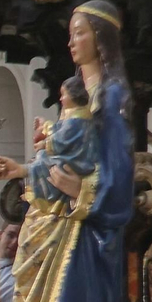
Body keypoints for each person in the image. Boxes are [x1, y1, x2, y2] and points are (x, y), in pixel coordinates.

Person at [0, 0, 136, 302]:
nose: (73, 41)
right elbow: (53, 172)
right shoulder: (75, 100)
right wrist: (31, 171)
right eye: (71, 33)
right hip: (56, 232)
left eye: (80, 32)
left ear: (100, 37)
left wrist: (85, 192)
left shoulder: (112, 96)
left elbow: (118, 173)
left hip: (87, 243)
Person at [25, 76, 97, 205]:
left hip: (77, 159)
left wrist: (44, 143)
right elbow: (60, 129)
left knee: (42, 161)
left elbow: (61, 139)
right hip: (76, 156)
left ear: (74, 95)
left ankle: (46, 195)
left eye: (63, 94)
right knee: (40, 158)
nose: (60, 98)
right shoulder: (77, 114)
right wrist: (45, 125)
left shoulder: (77, 118)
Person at [0, 222, 21, 302]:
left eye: (20, 237)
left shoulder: (22, 274)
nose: (15, 242)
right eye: (11, 235)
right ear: (0, 235)